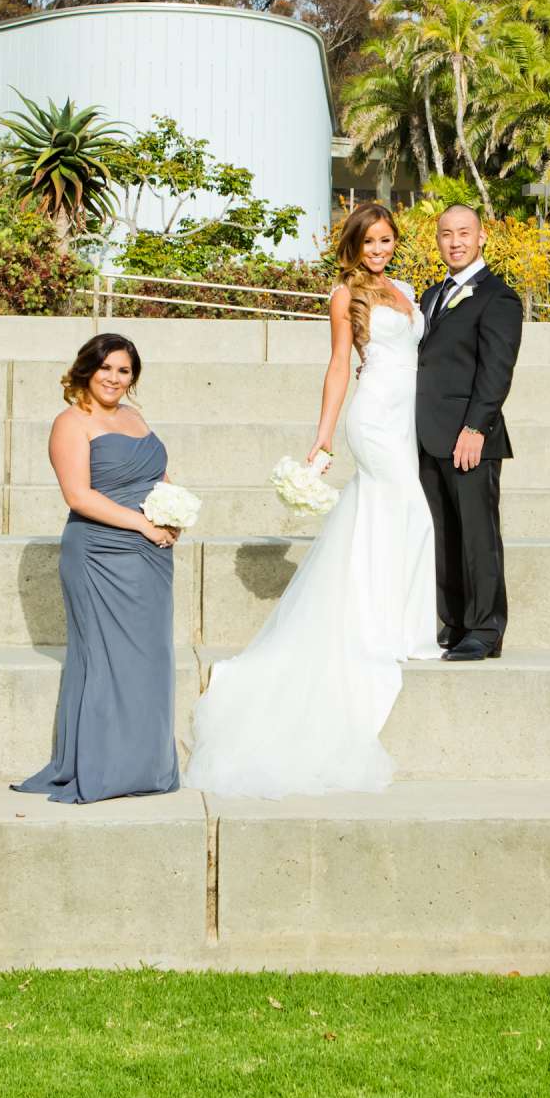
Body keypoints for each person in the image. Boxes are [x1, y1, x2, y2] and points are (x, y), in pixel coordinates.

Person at [185, 202, 442, 797]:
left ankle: (397, 625)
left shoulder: (405, 288)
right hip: (374, 417)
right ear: (354, 245)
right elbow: (336, 368)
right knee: (411, 514)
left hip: (407, 420)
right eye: (370, 242)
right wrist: (324, 436)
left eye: (386, 239)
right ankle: (386, 629)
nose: (379, 249)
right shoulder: (343, 295)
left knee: (388, 519)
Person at [15, 333, 182, 804]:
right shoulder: (71, 422)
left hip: (151, 556)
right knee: (107, 662)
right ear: (86, 369)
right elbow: (79, 496)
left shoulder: (135, 417)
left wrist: (173, 515)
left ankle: (145, 765)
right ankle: (103, 767)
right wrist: (143, 525)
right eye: (106, 368)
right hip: (99, 553)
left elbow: (159, 476)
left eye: (124, 371)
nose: (114, 378)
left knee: (150, 660)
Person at [416, 204, 522, 660]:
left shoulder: (498, 297)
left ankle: (485, 627)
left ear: (482, 237)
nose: (455, 241)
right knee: (442, 533)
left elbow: (497, 371)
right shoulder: (429, 295)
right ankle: (455, 620)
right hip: (425, 434)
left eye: (464, 233)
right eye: (446, 234)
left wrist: (476, 426)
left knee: (478, 535)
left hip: (468, 435)